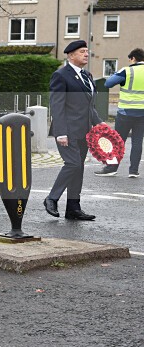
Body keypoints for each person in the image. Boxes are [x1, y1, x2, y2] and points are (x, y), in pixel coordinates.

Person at [43, 40, 102, 221]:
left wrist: (99, 124)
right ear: (71, 55)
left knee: (79, 168)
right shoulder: (61, 75)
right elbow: (57, 105)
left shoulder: (87, 76)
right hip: (67, 131)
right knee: (73, 165)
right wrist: (60, 132)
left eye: (87, 51)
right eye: (82, 51)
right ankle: (51, 198)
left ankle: (73, 208)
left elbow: (88, 106)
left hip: (84, 132)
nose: (86, 54)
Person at [96, 48, 144, 178]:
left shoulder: (127, 70)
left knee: (117, 141)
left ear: (133, 58)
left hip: (125, 113)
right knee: (137, 142)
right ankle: (133, 171)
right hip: (142, 114)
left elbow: (108, 83)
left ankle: (112, 168)